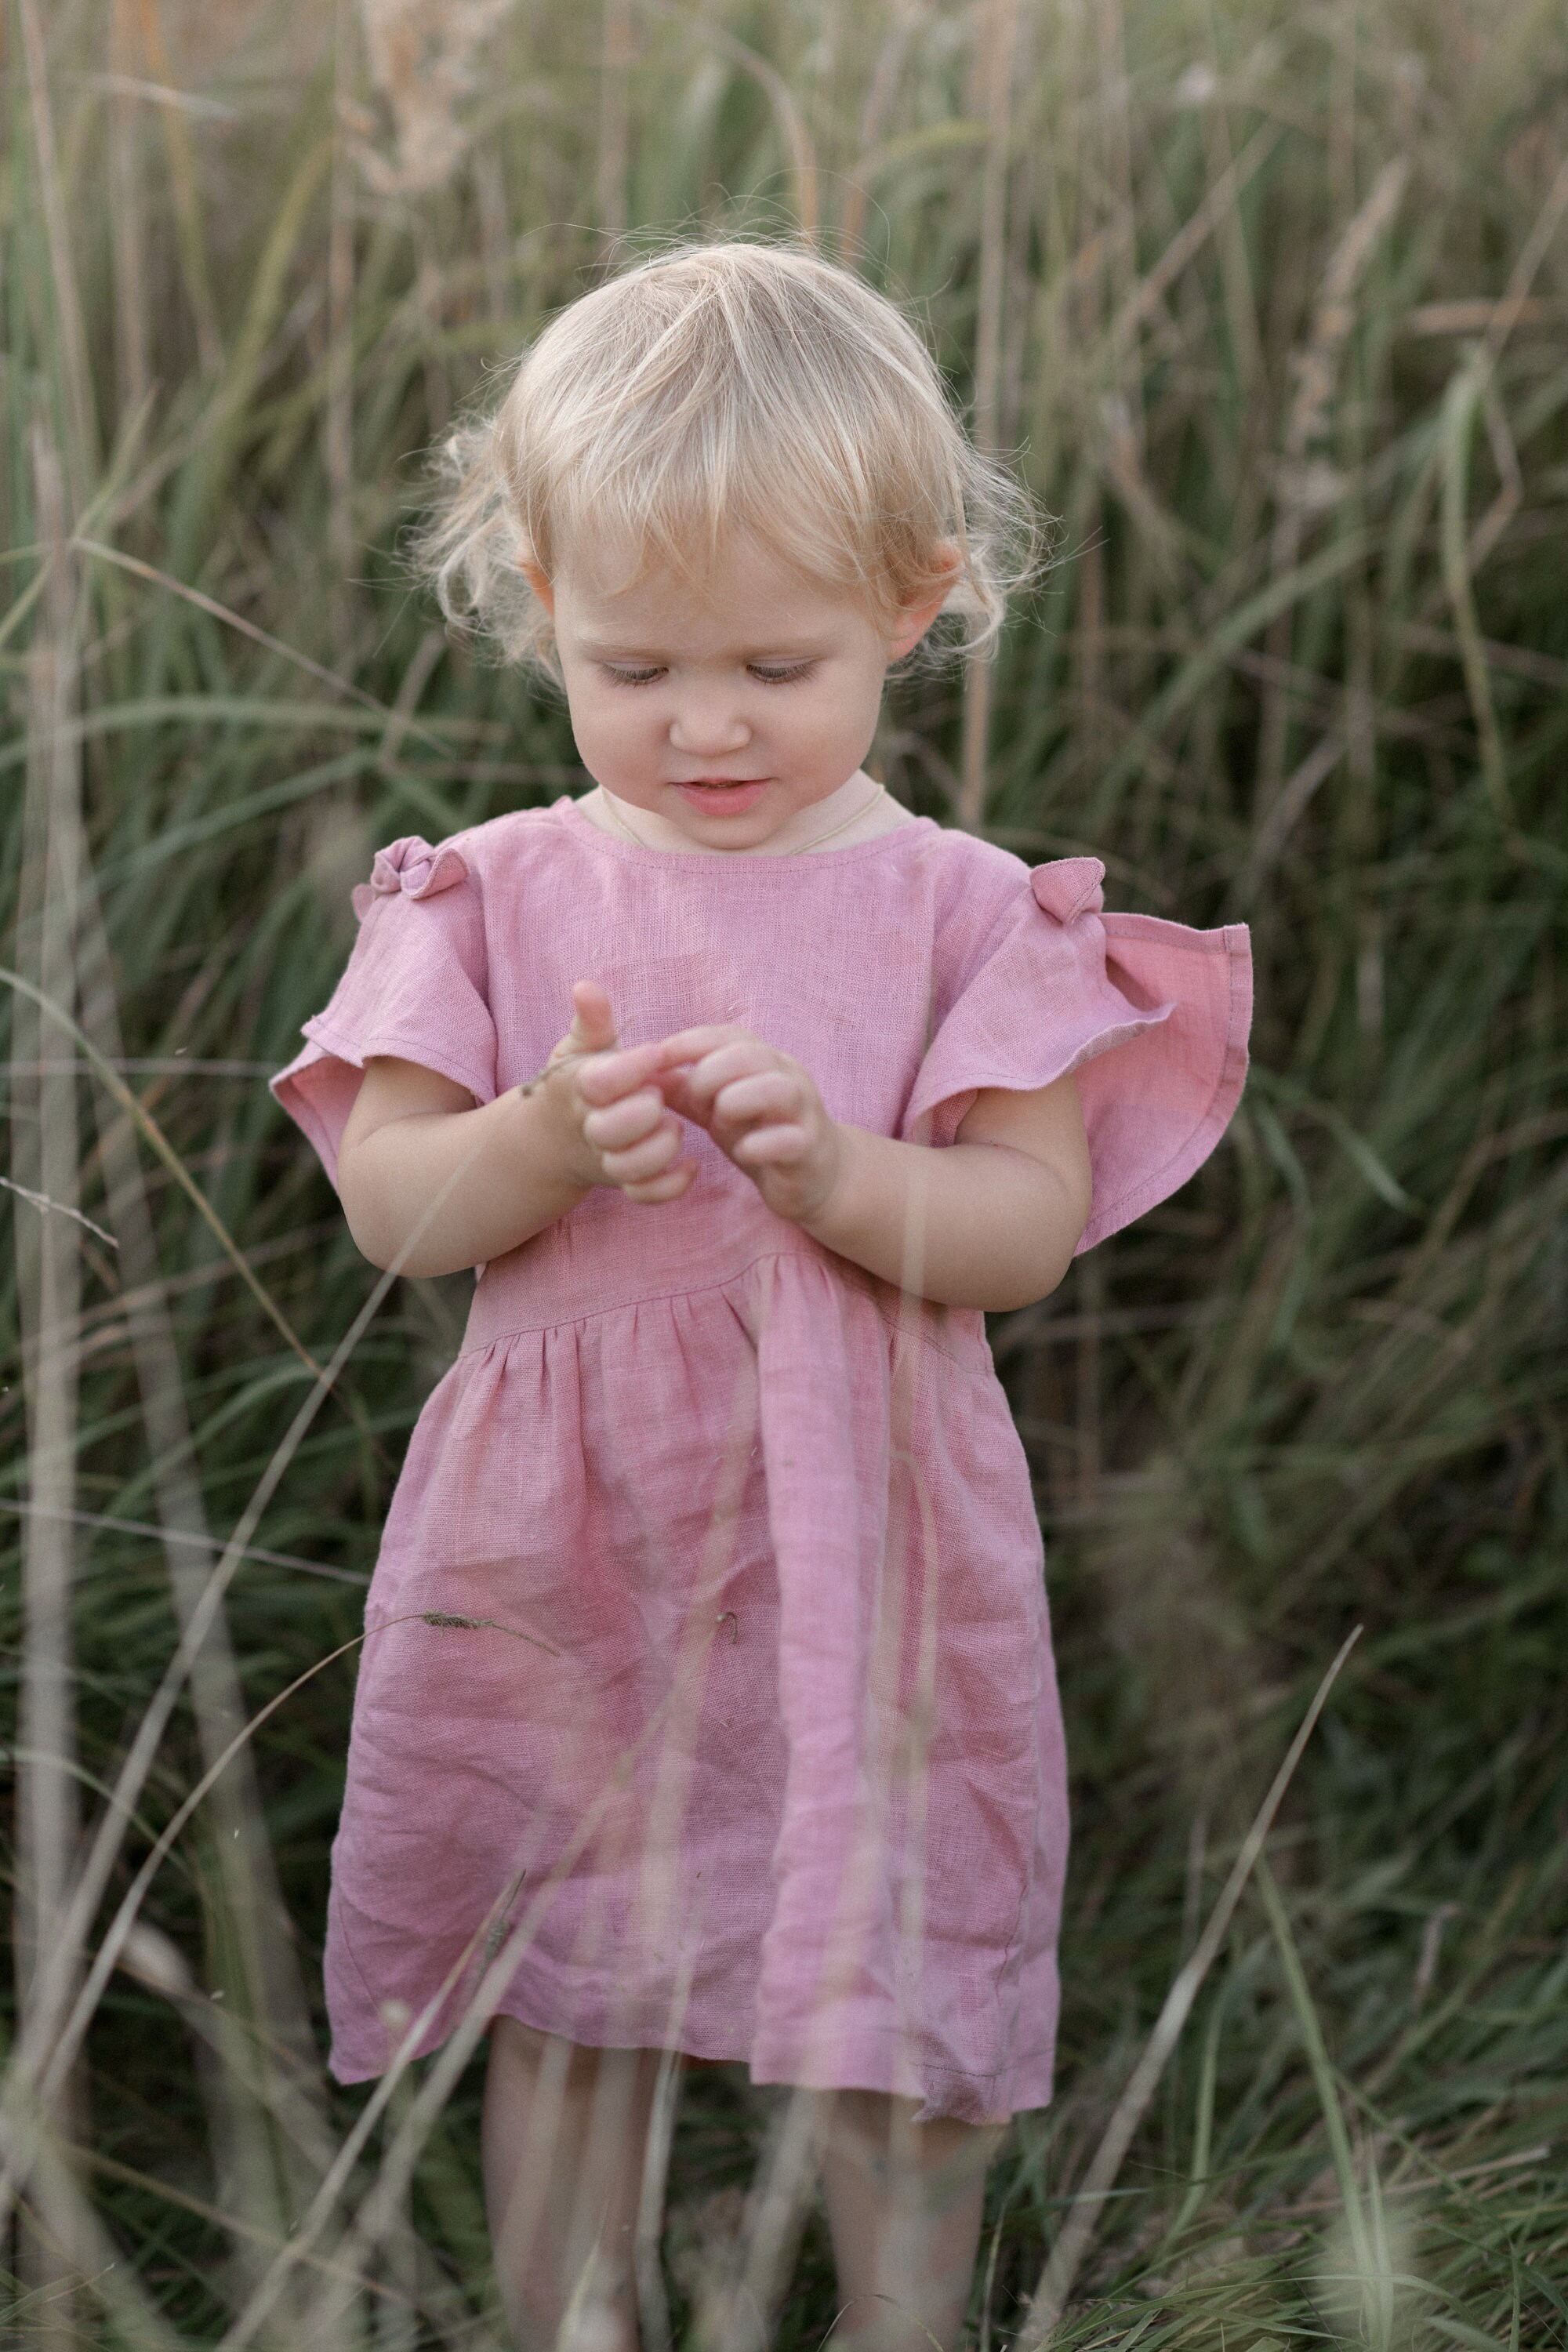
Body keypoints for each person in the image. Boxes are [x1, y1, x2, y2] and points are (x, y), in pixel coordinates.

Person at [272, 241, 1251, 2351]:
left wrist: (836, 1171)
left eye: (777, 665)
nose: (705, 719)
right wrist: (535, 1140)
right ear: (540, 601)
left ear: (915, 600)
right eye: (635, 664)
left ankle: (908, 2322)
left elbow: (1020, 1223)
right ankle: (581, 2325)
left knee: (901, 1972)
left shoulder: (968, 915)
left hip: (869, 1538)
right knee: (577, 1986)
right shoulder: (495, 895)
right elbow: (395, 1207)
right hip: (569, 1552)